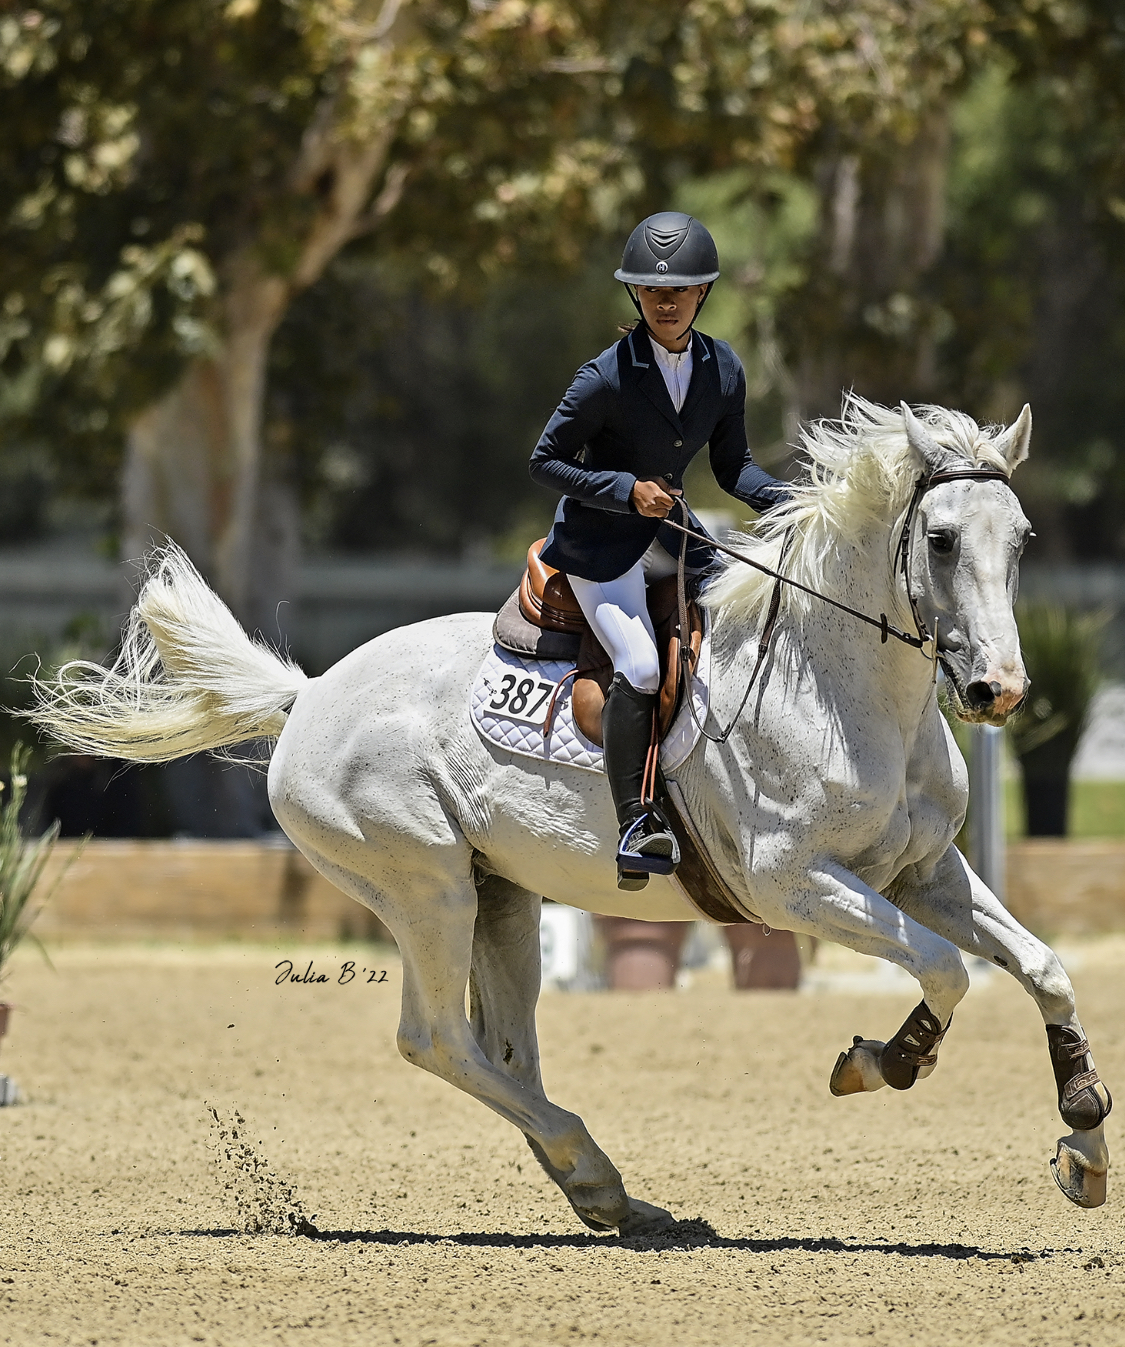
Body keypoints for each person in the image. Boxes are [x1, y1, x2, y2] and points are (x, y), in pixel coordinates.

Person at [529, 211, 791, 890]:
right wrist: (622, 489)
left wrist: (794, 501)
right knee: (642, 665)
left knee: (754, 620)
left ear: (702, 291)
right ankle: (633, 822)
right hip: (602, 547)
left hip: (675, 533)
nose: (664, 301)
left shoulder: (721, 366)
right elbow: (544, 461)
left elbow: (734, 468)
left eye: (677, 290)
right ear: (635, 296)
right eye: (650, 290)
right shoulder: (604, 378)